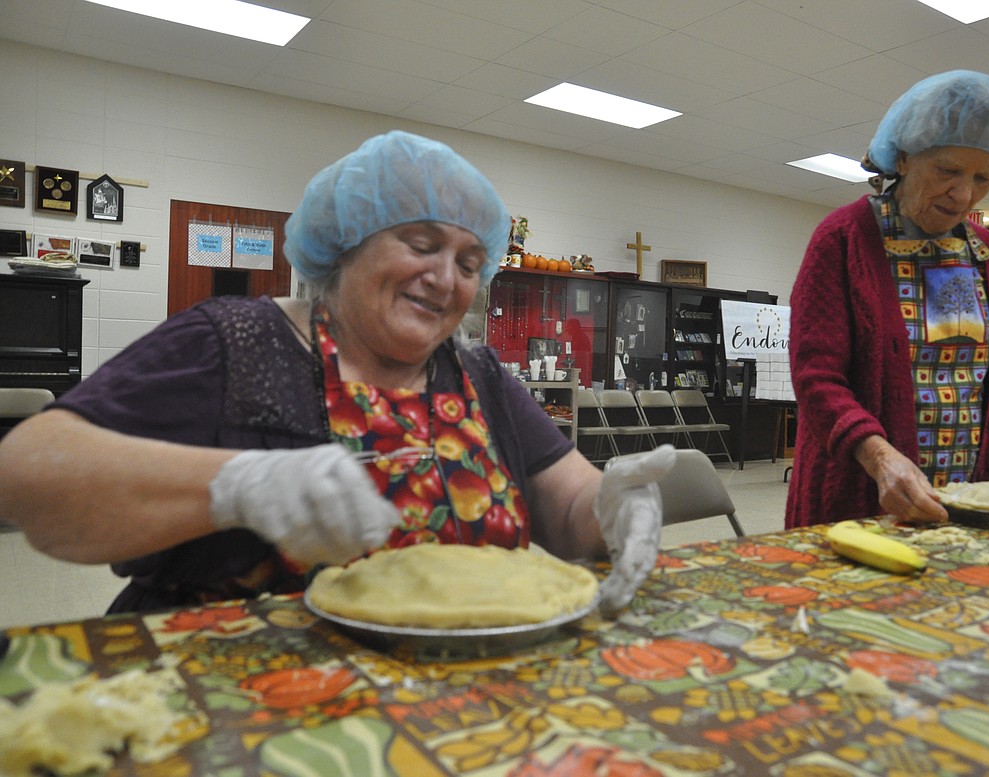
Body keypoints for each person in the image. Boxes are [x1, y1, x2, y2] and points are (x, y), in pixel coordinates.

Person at [0, 130, 676, 614]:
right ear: (347, 242)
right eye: (421, 243)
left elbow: (563, 502)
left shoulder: (477, 374)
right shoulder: (235, 342)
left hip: (451, 709)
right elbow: (25, 475)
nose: (445, 277)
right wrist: (233, 485)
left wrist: (613, 507)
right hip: (232, 708)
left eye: (470, 263)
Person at [785, 70, 989, 529]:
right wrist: (880, 458)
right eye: (948, 171)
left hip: (967, 500)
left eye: (983, 178)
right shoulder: (843, 240)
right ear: (903, 157)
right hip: (858, 496)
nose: (964, 195)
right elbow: (817, 377)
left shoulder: (987, 254)